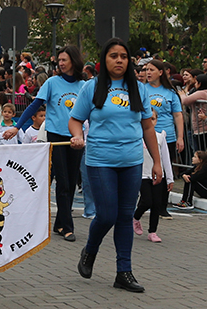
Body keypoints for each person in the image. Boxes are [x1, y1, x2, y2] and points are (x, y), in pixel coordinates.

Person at [68, 38, 164, 293]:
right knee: (107, 214)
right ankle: (90, 250)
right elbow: (75, 119)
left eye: (123, 56)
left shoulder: (139, 89)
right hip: (100, 161)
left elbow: (147, 127)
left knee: (124, 216)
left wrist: (157, 162)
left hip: (131, 161)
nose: (119, 60)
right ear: (104, 59)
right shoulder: (92, 87)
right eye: (113, 56)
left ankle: (124, 272)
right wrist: (77, 135)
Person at [16, 46, 86, 242]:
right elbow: (34, 105)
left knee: (71, 182)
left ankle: (59, 223)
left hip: (76, 137)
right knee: (62, 181)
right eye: (59, 61)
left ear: (74, 60)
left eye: (65, 60)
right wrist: (17, 126)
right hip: (56, 136)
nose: (61, 64)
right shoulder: (52, 82)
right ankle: (68, 227)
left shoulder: (83, 85)